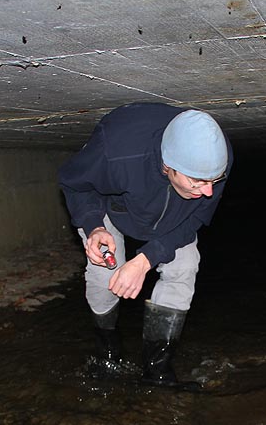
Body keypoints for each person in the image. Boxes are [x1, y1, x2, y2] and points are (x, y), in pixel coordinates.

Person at [59, 102, 232, 387]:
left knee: (185, 266)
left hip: (173, 216)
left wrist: (145, 259)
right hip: (114, 210)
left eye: (214, 181)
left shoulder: (218, 158)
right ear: (168, 166)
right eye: (198, 182)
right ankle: (108, 355)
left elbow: (196, 219)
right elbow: (75, 184)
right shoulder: (115, 151)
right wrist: (94, 226)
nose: (209, 191)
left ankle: (158, 371)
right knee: (105, 276)